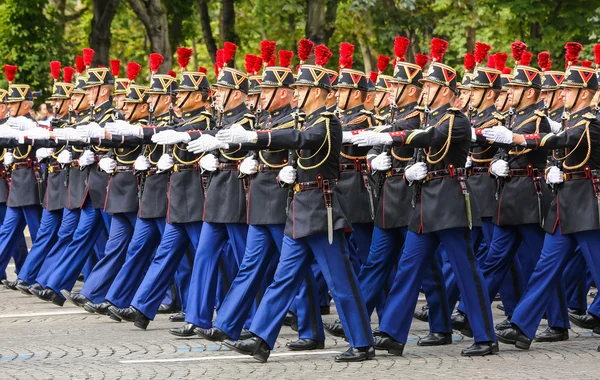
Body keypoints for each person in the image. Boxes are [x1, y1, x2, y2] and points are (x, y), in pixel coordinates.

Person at [216, 59, 375, 363]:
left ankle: (362, 342)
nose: (298, 92)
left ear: (318, 91)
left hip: (321, 211)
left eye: (302, 87)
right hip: (299, 208)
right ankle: (261, 339)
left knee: (340, 281)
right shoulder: (307, 119)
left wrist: (254, 138)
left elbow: (303, 140)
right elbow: (299, 149)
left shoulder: (327, 122)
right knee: (283, 278)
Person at [352, 38, 497, 356]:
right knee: (407, 267)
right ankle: (391, 331)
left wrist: (387, 135)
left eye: (431, 85)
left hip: (448, 204)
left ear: (446, 89)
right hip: (423, 204)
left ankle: (485, 336)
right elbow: (420, 151)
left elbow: (426, 137)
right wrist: (406, 172)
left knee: (465, 270)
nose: (426, 90)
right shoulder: (432, 116)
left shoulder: (455, 120)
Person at [481, 62, 600, 350]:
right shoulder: (574, 120)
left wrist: (518, 138)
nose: (563, 95)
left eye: (570, 90)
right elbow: (560, 150)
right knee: (545, 268)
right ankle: (523, 325)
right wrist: (553, 167)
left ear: (584, 94)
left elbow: (562, 139)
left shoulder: (590, 124)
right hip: (564, 205)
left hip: (586, 206)